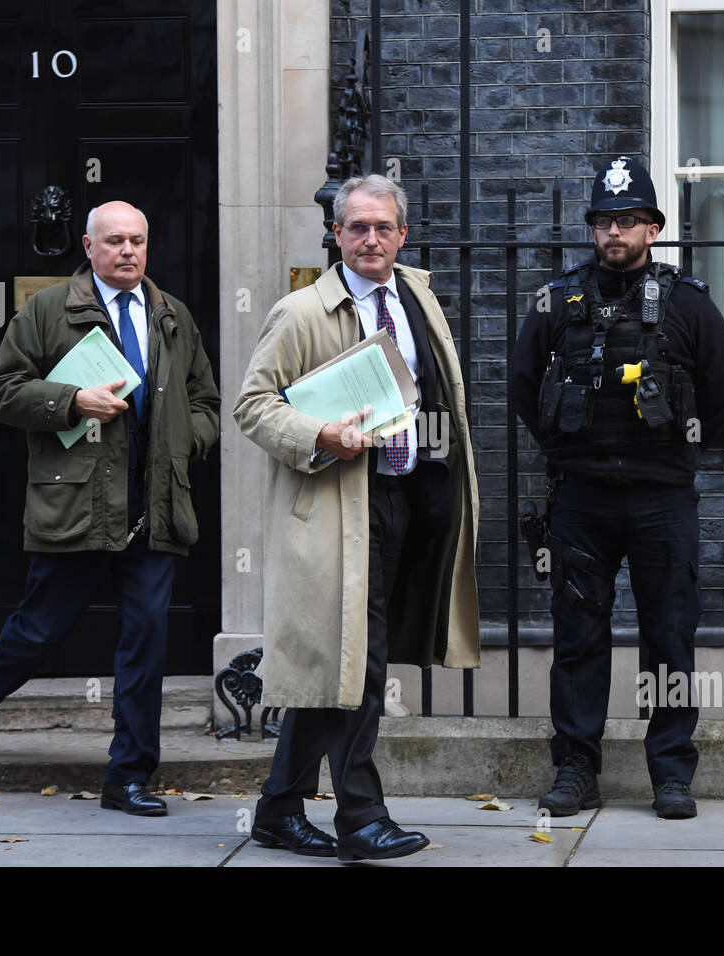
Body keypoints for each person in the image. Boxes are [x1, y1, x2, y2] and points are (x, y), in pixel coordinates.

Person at [233, 173, 480, 862]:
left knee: (338, 665)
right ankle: (361, 817)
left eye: (383, 227)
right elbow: (253, 406)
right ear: (336, 235)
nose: (370, 239)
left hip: (407, 499)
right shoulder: (302, 311)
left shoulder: (419, 300)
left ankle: (278, 812)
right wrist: (322, 435)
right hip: (339, 505)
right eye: (356, 228)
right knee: (360, 665)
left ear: (402, 235)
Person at [0, 201, 220, 817]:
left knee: (146, 642)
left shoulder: (172, 315)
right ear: (88, 246)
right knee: (42, 629)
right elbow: (2, 392)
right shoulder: (49, 309)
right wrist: (72, 400)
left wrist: (187, 443)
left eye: (136, 241)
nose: (127, 252)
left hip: (154, 508)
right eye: (114, 242)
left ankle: (128, 775)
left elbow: (204, 399)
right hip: (77, 504)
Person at [510, 157, 724, 820]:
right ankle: (577, 768)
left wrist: (682, 452)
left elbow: (723, 399)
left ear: (653, 229)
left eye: (629, 219)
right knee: (578, 634)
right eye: (605, 220)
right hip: (580, 498)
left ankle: (671, 773)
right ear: (591, 230)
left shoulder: (689, 302)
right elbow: (524, 386)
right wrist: (563, 451)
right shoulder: (558, 299)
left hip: (662, 499)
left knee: (669, 634)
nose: (616, 230)